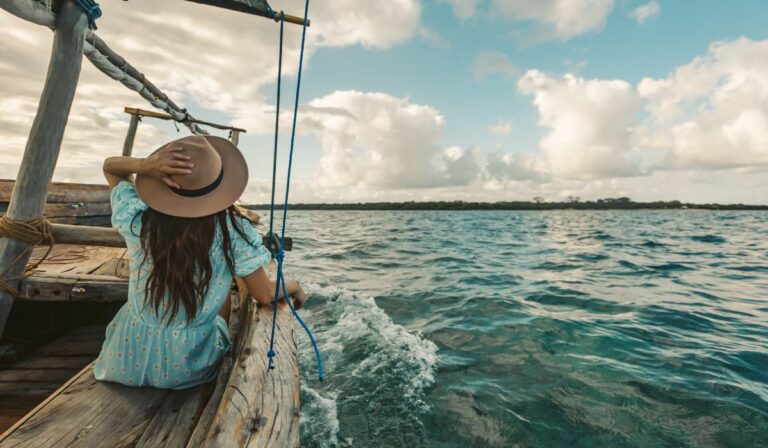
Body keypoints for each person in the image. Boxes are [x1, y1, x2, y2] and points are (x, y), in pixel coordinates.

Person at [93, 135, 306, 389]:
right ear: (220, 188)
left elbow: (110, 167)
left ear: (164, 180)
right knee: (222, 287)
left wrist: (145, 165)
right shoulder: (232, 231)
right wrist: (294, 285)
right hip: (188, 366)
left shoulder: (137, 219)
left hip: (125, 359)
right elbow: (264, 294)